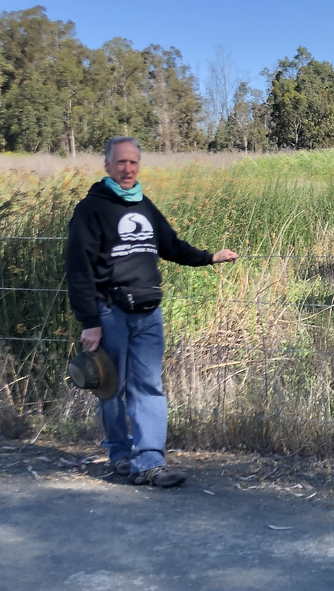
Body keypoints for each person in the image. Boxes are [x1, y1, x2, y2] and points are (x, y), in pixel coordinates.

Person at [66, 137, 238, 487]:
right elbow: (79, 268)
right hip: (110, 311)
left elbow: (170, 245)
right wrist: (90, 322)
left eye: (133, 163)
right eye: (121, 162)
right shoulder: (91, 209)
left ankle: (149, 462)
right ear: (107, 165)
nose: (128, 169)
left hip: (148, 311)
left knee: (149, 386)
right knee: (111, 388)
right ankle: (120, 454)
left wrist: (209, 257)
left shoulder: (144, 205)